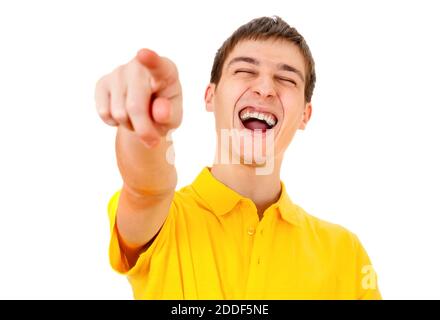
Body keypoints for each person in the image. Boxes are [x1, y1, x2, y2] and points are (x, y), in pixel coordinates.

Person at [95, 16, 382, 299]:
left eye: (286, 78)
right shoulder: (166, 220)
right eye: (245, 71)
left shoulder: (345, 253)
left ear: (305, 115)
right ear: (210, 96)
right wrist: (142, 122)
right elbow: (146, 190)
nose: (266, 89)